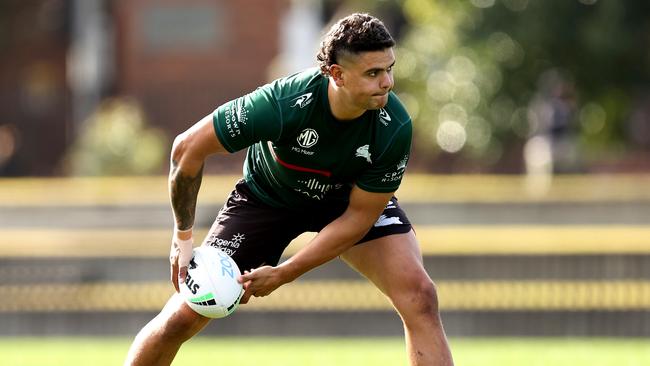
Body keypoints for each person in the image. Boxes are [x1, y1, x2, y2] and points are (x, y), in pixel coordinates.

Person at [124, 13, 454, 366]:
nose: (387, 82)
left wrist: (285, 272)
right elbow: (186, 149)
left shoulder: (394, 126)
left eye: (389, 68)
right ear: (336, 74)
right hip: (269, 201)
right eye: (373, 73)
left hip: (345, 203)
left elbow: (359, 217)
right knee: (181, 319)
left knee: (420, 296)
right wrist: (183, 237)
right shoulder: (282, 104)